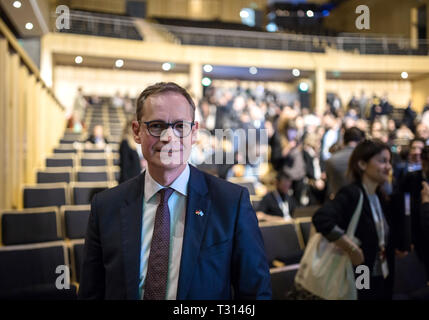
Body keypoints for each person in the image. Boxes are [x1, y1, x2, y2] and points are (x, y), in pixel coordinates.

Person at [78, 82, 272, 300]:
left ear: (194, 132)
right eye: (157, 126)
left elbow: (255, 295)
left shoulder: (231, 203)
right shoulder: (105, 207)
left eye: (180, 126)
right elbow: (90, 293)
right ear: (137, 131)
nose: (169, 137)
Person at [312, 139, 399, 300]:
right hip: (362, 270)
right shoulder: (352, 193)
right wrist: (352, 248)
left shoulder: (380, 196)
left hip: (383, 271)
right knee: (363, 296)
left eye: (389, 162)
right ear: (362, 164)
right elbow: (321, 218)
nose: (388, 167)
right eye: (382, 161)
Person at [325, 127, 366, 199]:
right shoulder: (364, 159)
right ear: (361, 140)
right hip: (361, 200)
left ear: (344, 141)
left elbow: (329, 185)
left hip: (339, 201)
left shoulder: (331, 160)